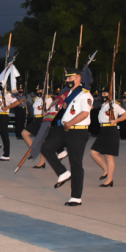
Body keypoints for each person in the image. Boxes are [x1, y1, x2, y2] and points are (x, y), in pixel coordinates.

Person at [41, 68, 93, 206]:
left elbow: (84, 113)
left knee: (75, 162)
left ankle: (76, 197)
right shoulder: (68, 94)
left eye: (70, 78)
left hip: (77, 131)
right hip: (64, 128)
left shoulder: (84, 95)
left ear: (78, 78)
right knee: (46, 147)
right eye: (67, 78)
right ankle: (63, 173)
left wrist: (70, 123)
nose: (67, 81)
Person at [90, 87, 126, 187]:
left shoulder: (114, 105)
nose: (103, 96)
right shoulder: (103, 105)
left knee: (109, 156)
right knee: (93, 152)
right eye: (102, 94)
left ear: (110, 95)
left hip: (111, 130)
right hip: (103, 130)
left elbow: (125, 115)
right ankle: (106, 169)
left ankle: (109, 180)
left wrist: (115, 121)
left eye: (105, 94)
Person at [21, 85, 52, 168]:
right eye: (38, 90)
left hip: (42, 120)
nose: (38, 91)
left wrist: (47, 113)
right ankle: (35, 151)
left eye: (40, 90)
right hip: (36, 119)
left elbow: (53, 109)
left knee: (25, 133)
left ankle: (40, 160)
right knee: (25, 134)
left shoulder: (48, 99)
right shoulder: (37, 98)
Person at [0, 84, 19, 161]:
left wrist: (7, 107)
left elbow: (16, 102)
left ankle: (6, 154)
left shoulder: (7, 94)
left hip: (3, 115)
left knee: (4, 135)